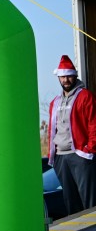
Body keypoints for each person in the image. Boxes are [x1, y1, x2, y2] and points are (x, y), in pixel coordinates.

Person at [48, 55, 96, 214]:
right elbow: (52, 130)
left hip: (80, 155)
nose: (66, 80)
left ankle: (93, 229)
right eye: (62, 77)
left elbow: (94, 124)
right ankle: (76, 230)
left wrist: (89, 150)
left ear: (75, 76)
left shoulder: (85, 96)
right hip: (61, 157)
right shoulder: (55, 102)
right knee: (70, 201)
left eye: (69, 76)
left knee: (89, 200)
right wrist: (52, 155)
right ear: (58, 78)